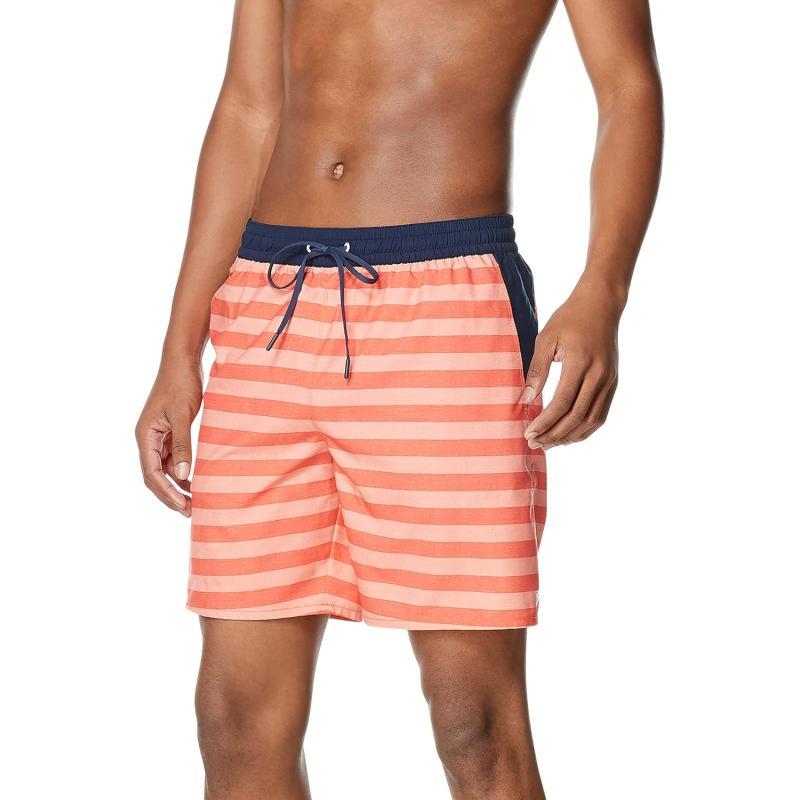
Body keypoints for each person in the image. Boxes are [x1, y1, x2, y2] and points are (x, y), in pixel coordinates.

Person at [136, 1, 662, 797]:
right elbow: (248, 106)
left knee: (471, 716)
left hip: (444, 306)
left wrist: (603, 290)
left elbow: (627, 87)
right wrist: (179, 350)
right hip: (268, 305)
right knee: (234, 718)